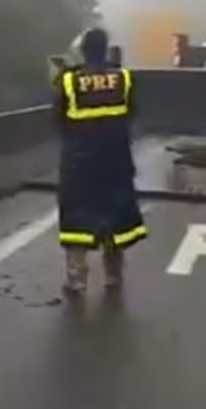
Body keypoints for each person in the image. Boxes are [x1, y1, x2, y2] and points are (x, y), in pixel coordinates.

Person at [53, 27, 146, 295]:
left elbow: (59, 119)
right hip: (115, 160)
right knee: (116, 216)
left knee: (76, 218)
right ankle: (113, 276)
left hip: (80, 163)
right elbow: (132, 115)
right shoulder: (123, 78)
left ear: (83, 50)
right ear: (105, 49)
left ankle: (76, 278)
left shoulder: (69, 81)